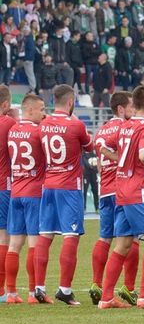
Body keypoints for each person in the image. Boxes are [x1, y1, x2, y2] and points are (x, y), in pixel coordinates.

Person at [98, 85, 144, 309]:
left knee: (123, 245)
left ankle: (106, 298)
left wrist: (119, 160)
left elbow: (102, 146)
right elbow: (143, 155)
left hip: (120, 189)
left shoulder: (124, 126)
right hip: (138, 190)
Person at [34, 85, 94, 305]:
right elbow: (90, 146)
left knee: (45, 234)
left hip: (48, 184)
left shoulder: (44, 124)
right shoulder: (76, 125)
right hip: (69, 186)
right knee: (71, 235)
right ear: (71, 102)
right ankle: (65, 289)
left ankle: (39, 287)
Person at [89, 92, 139, 306]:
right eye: (131, 106)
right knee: (130, 240)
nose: (134, 110)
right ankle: (128, 288)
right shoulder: (125, 128)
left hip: (105, 191)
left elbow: (100, 161)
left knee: (104, 238)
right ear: (121, 109)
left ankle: (96, 284)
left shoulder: (102, 130)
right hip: (122, 190)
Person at [4, 95, 46, 303]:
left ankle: (11, 293)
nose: (44, 114)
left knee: (14, 245)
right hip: (34, 192)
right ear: (29, 110)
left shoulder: (13, 130)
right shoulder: (38, 132)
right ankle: (32, 293)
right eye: (41, 109)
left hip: (16, 191)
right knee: (34, 244)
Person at [0, 86, 16, 302]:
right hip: (3, 185)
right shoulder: (9, 123)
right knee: (4, 236)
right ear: (5, 104)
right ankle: (1, 290)